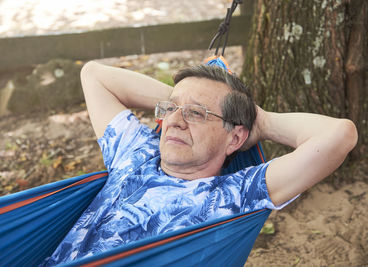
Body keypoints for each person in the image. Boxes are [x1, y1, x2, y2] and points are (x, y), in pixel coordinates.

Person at [42, 61, 358, 265]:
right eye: (169, 110)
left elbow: (339, 135)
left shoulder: (236, 195)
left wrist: (259, 122)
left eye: (196, 115)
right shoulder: (135, 150)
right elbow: (94, 75)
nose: (175, 122)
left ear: (235, 139)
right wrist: (187, 101)